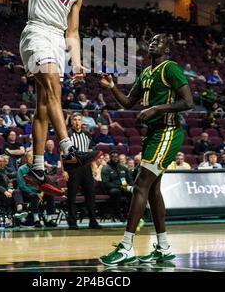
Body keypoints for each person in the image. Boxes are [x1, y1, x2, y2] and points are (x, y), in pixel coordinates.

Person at [19, 0, 99, 194]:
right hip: (37, 32)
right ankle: (67, 148)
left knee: (43, 105)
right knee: (52, 87)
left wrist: (76, 61)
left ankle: (38, 168)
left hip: (57, 39)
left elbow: (74, 31)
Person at [98, 34, 193, 265]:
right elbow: (129, 102)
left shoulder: (170, 68)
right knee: (151, 190)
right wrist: (111, 86)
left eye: (159, 41)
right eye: (151, 40)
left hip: (168, 132)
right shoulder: (146, 73)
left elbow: (188, 102)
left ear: (168, 48)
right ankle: (163, 247)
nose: (153, 42)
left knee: (140, 184)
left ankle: (127, 247)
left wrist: (157, 108)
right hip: (153, 135)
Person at [63, 112, 101, 229]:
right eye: (75, 120)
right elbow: (62, 154)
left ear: (82, 122)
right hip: (72, 168)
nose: (77, 122)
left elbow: (90, 153)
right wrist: (64, 170)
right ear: (72, 121)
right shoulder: (67, 135)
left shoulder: (87, 135)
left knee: (90, 195)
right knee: (72, 196)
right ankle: (72, 222)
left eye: (79, 120)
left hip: (86, 168)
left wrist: (94, 166)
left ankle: (93, 221)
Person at [17, 150, 57, 228]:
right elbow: (22, 186)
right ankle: (36, 220)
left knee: (50, 195)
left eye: (33, 157)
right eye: (30, 157)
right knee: (34, 196)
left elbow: (44, 182)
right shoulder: (21, 169)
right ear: (26, 159)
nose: (32, 158)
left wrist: (42, 192)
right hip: (26, 191)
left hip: (39, 191)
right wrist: (36, 193)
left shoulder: (39, 169)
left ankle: (49, 219)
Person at [0, 155, 27, 221]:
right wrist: (4, 191)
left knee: (17, 192)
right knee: (15, 198)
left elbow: (9, 181)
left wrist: (10, 189)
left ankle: (19, 211)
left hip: (5, 192)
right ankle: (18, 218)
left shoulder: (1, 171)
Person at [101, 151, 133, 221]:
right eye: (113, 157)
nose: (115, 158)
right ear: (110, 158)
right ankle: (118, 214)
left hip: (123, 187)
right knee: (115, 192)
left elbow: (129, 179)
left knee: (132, 192)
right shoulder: (106, 168)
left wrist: (131, 186)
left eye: (116, 157)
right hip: (111, 188)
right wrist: (119, 186)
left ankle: (130, 214)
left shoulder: (123, 167)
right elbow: (105, 183)